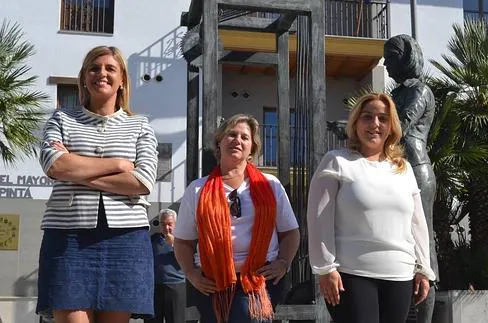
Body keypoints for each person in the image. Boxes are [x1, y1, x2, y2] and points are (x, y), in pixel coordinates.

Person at [36, 46, 158, 323]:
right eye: (94, 68)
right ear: (83, 77)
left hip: (125, 241)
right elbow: (54, 165)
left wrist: (75, 169)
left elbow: (141, 181)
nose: (101, 73)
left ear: (123, 80)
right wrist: (118, 164)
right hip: (67, 238)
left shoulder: (140, 126)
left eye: (109, 68)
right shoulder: (61, 119)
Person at [306, 92, 435, 323]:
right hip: (351, 275)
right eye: (367, 117)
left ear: (391, 127)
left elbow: (417, 223)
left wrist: (424, 269)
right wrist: (325, 268)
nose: (375, 124)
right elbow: (318, 219)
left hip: (400, 276)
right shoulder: (337, 161)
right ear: (355, 123)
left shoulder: (403, 168)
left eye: (383, 118)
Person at [174, 114, 300, 323]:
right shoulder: (197, 189)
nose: (237, 140)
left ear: (252, 147)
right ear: (219, 142)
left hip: (259, 281)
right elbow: (183, 242)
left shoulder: (270, 185)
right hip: (212, 284)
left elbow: (290, 233)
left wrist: (283, 262)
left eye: (244, 137)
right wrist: (191, 273)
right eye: (231, 135)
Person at [384, 34, 439, 323]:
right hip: (397, 169)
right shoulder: (396, 94)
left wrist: (351, 128)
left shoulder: (419, 91)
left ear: (407, 58)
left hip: (416, 170)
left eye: (391, 56)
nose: (386, 62)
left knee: (422, 245)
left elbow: (399, 126)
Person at [146, 209, 187, 323]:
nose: (166, 228)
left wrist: (174, 245)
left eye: (170, 224)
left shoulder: (183, 241)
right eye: (163, 224)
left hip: (175, 286)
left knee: (176, 319)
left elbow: (187, 261)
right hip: (155, 287)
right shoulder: (154, 239)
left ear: (176, 224)